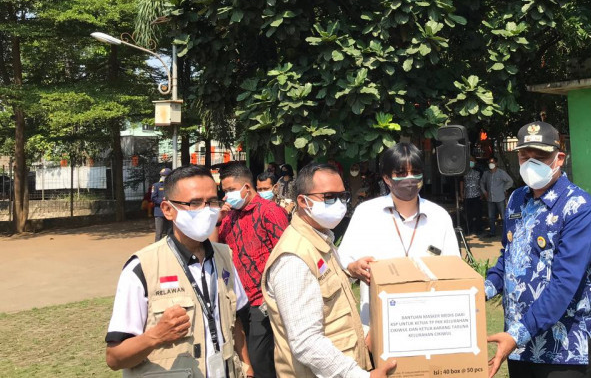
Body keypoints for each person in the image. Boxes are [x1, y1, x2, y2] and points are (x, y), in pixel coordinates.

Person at [105, 164, 253, 378]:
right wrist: (155, 336)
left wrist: (247, 366)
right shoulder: (141, 268)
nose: (206, 210)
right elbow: (114, 358)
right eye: (194, 203)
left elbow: (236, 321)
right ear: (167, 210)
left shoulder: (225, 257)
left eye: (212, 201)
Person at [485, 121, 591, 378]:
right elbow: (507, 259)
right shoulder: (517, 199)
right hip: (519, 347)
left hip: (565, 352)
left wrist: (516, 335)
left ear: (559, 158)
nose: (530, 163)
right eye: (524, 156)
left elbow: (564, 284)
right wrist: (479, 291)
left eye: (540, 156)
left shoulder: (580, 208)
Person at [262, 162, 396, 377]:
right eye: (329, 197)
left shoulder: (321, 242)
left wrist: (351, 272)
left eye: (342, 196)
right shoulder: (294, 258)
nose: (339, 204)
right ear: (303, 201)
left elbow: (331, 307)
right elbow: (306, 341)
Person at [339, 142, 459, 333]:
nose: (409, 179)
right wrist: (354, 268)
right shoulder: (366, 213)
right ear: (387, 178)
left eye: (415, 172)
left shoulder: (439, 216)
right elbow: (342, 261)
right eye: (401, 173)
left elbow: (454, 270)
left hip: (428, 325)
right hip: (377, 327)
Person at [215, 162, 289, 378]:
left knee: (259, 362)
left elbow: (284, 255)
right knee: (241, 359)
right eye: (224, 191)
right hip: (237, 301)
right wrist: (216, 220)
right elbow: (214, 249)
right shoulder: (229, 217)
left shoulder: (270, 212)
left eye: (230, 190)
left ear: (246, 188)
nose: (226, 196)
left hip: (262, 301)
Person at [480, 156, 514, 237]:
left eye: (492, 162)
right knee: (491, 217)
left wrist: (504, 189)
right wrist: (484, 192)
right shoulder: (486, 173)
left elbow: (510, 181)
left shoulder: (501, 173)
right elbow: (481, 182)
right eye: (489, 163)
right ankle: (492, 232)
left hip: (500, 198)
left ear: (496, 163)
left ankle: (506, 232)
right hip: (490, 198)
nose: (490, 164)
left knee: (503, 216)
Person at [460, 156, 483, 234]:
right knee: (468, 214)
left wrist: (482, 193)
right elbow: (461, 182)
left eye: (472, 160)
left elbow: (482, 182)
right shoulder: (464, 171)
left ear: (475, 162)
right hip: (467, 196)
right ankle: (468, 230)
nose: (471, 162)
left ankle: (478, 229)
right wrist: (461, 192)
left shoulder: (479, 171)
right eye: (469, 161)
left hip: (477, 195)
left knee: (478, 214)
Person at [150, 167, 172, 241]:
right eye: (162, 175)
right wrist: (163, 201)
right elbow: (153, 198)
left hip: (170, 212)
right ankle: (157, 248)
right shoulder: (156, 185)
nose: (163, 177)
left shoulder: (172, 186)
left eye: (165, 176)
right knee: (159, 233)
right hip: (159, 212)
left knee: (170, 232)